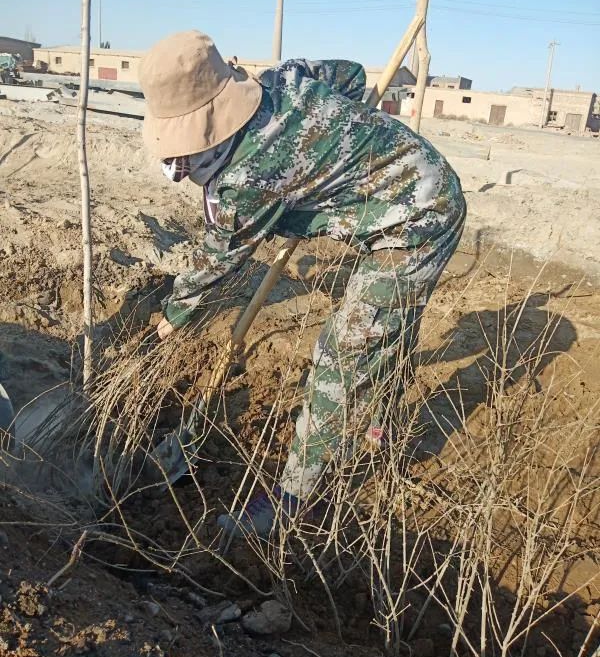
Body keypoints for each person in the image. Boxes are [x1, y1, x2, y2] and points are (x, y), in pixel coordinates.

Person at [139, 30, 466, 538]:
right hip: (413, 187)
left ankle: (294, 502)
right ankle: (383, 427)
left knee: (342, 353)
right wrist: (339, 146)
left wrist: (172, 317)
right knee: (386, 328)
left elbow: (216, 262)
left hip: (417, 220)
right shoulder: (284, 78)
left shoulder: (246, 182)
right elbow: (352, 76)